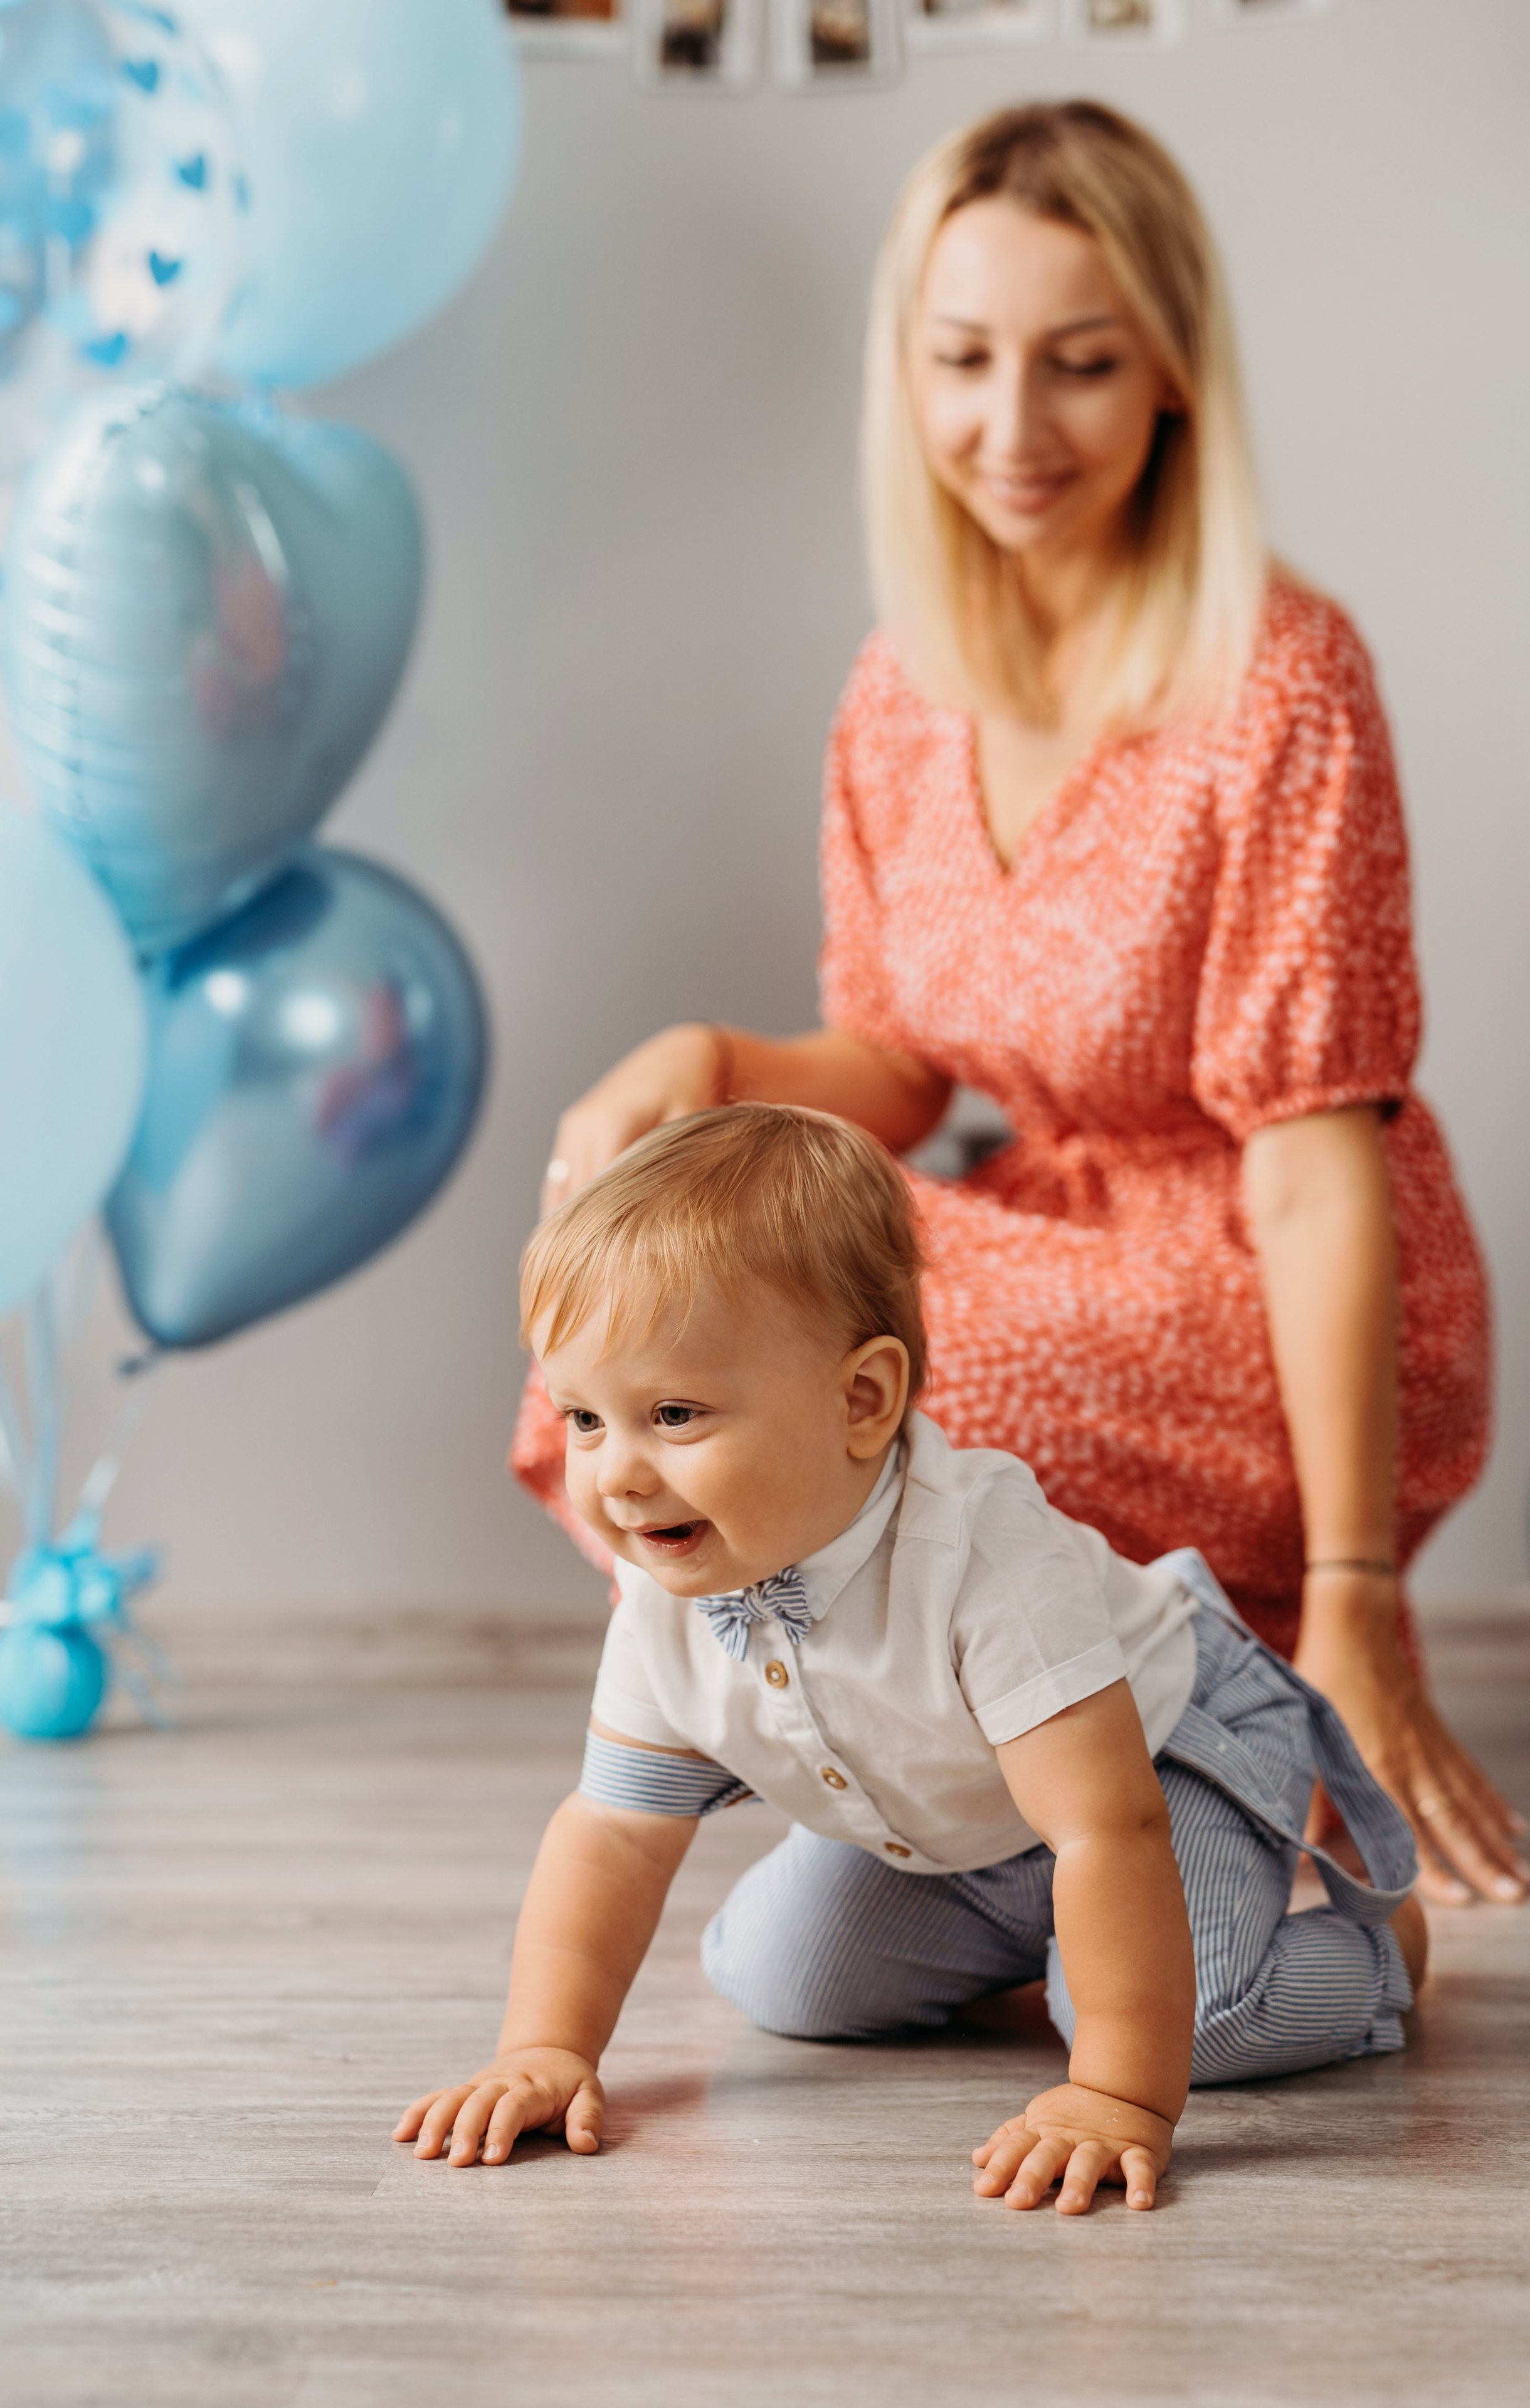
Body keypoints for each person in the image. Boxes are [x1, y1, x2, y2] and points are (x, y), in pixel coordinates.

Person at [512, 101, 1524, 1908]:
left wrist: (1364, 1599)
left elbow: (1312, 1167)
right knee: (649, 1315)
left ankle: (1123, 1757)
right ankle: (898, 1760)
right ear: (907, 366)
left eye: (1079, 365)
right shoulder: (907, 681)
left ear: (1173, 378)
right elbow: (900, 1067)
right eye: (963, 360)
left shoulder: (1281, 676)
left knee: (803, 1359)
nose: (1010, 427)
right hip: (1054, 1221)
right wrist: (713, 1064)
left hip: (1261, 1253)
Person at [404, 1107, 1423, 2209]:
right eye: (585, 1420)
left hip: (1162, 1760)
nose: (614, 1476)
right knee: (782, 1977)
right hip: (965, 1818)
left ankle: (1380, 1956)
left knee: (1203, 2025)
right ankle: (1051, 1947)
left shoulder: (979, 1552)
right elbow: (611, 1834)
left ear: (863, 1400)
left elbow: (1104, 1825)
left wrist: (1118, 2095)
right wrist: (546, 2047)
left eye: (674, 1414)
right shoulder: (662, 1594)